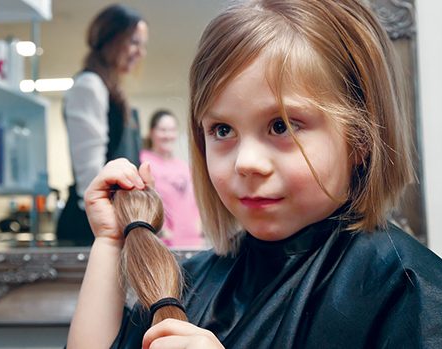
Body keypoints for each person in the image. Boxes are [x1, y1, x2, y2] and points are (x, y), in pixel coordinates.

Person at [67, 0, 442, 348]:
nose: (245, 162)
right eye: (222, 130)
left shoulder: (404, 289)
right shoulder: (190, 284)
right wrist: (110, 242)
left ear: (360, 139)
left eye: (281, 126)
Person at [56, 4, 149, 245]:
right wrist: (107, 227)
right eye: (135, 42)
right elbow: (90, 176)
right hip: (90, 227)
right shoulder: (89, 86)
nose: (141, 52)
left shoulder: (110, 89)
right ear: (112, 39)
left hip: (112, 220)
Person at [140, 109, 203, 248]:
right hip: (162, 245)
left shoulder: (184, 166)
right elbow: (139, 201)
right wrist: (160, 231)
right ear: (151, 133)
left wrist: (199, 225)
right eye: (163, 130)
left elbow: (195, 202)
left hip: (192, 243)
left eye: (172, 130)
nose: (168, 135)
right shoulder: (143, 161)